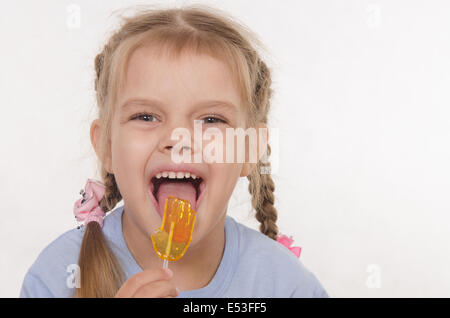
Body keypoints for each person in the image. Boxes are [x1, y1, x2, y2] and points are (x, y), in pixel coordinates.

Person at [19, 4, 328, 298]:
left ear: (248, 149)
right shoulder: (58, 275)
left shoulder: (285, 284)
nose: (178, 139)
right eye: (146, 116)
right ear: (107, 146)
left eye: (211, 119)